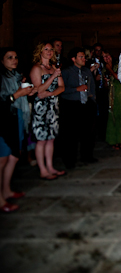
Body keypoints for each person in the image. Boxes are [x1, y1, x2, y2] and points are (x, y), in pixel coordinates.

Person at [0, 47, 37, 211]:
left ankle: (7, 190)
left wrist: (29, 92)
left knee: (14, 156)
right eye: (9, 57)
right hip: (3, 120)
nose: (14, 60)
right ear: (1, 60)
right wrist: (17, 94)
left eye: (15, 57)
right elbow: (4, 100)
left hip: (17, 117)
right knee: (2, 158)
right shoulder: (1, 77)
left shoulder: (16, 76)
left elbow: (19, 95)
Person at [30, 42, 65, 179]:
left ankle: (50, 167)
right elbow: (39, 90)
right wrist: (52, 76)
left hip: (53, 105)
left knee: (51, 138)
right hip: (41, 108)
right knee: (41, 139)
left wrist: (51, 94)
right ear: (40, 52)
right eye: (46, 49)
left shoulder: (54, 68)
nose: (49, 51)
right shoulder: (36, 69)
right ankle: (42, 170)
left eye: (51, 49)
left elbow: (61, 87)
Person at [59, 47, 98, 168]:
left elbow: (92, 87)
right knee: (71, 134)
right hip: (72, 105)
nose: (83, 59)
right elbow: (61, 90)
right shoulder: (66, 72)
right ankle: (70, 160)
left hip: (86, 104)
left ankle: (87, 155)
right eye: (80, 57)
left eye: (84, 57)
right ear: (73, 59)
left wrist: (92, 99)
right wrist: (76, 89)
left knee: (88, 132)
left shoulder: (86, 71)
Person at [102, 51, 121, 149]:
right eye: (104, 57)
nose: (106, 58)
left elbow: (119, 78)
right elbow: (105, 86)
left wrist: (110, 70)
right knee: (112, 117)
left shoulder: (118, 65)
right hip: (111, 96)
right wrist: (105, 81)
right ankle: (114, 140)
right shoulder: (104, 69)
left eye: (107, 55)